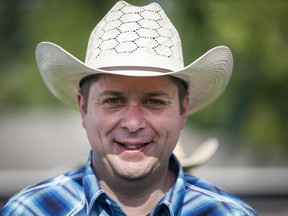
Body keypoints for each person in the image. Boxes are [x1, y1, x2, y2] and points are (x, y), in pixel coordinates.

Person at [1, 1, 257, 215]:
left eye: (154, 101)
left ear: (182, 110)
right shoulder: (30, 211)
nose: (133, 123)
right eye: (113, 101)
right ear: (83, 108)